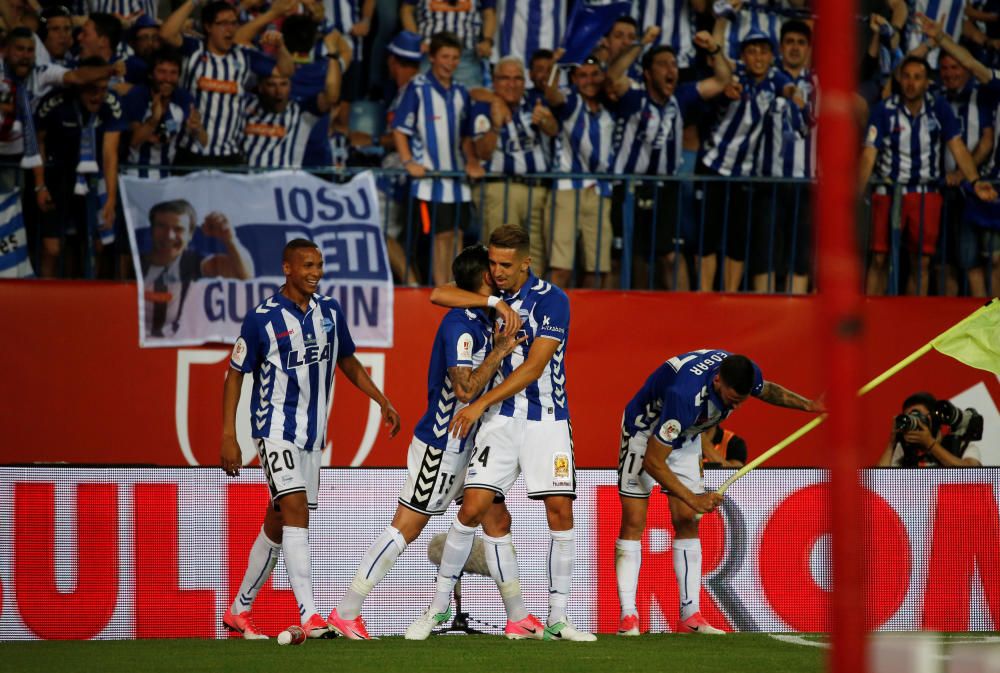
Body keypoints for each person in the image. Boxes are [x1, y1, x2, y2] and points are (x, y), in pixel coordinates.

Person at [328, 245, 542, 640]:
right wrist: (498, 353)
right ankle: (346, 611)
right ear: (483, 280)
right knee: (406, 527)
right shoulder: (460, 325)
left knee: (498, 519)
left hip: (469, 447)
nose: (499, 274)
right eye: (492, 269)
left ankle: (518, 618)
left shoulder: (482, 317)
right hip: (441, 446)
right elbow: (463, 390)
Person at [405, 224, 596, 642]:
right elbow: (439, 294)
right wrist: (492, 298)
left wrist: (478, 403)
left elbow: (534, 367)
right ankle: (437, 610)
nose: (497, 271)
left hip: (547, 420)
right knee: (471, 508)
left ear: (527, 262)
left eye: (506, 265)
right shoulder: (493, 298)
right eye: (492, 263)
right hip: (501, 424)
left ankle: (559, 617)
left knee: (560, 512)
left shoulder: (553, 301)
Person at [221, 238, 401, 639]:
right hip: (273, 430)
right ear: (287, 268)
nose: (315, 273)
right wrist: (228, 435)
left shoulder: (331, 312)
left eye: (319, 265)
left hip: (311, 436)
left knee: (279, 520)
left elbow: (347, 360)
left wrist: (381, 399)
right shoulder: (261, 319)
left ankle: (239, 610)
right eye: (307, 265)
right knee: (296, 510)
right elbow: (235, 373)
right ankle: (310, 615)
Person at [615, 350, 823, 636]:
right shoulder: (684, 395)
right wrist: (694, 497)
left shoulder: (745, 371)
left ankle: (690, 615)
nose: (735, 406)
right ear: (716, 381)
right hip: (645, 431)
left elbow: (770, 391)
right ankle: (629, 615)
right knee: (634, 521)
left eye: (742, 400)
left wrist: (809, 405)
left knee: (687, 519)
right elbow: (654, 461)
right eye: (732, 399)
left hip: (686, 436)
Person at [605, 28, 732, 291]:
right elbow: (613, 75)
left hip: (667, 188)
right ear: (648, 73)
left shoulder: (681, 98)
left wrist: (714, 49)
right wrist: (641, 44)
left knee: (671, 257)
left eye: (673, 64)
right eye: (662, 64)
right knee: (628, 257)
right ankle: (630, 316)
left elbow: (722, 80)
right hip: (629, 188)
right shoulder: (633, 97)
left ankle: (682, 318)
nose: (670, 69)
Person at [859, 55, 997, 296]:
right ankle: (871, 315)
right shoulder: (883, 110)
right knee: (879, 258)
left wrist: (974, 181)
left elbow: (957, 146)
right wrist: (855, 192)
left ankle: (914, 322)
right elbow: (868, 155)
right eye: (907, 77)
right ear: (900, 79)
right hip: (888, 193)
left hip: (925, 196)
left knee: (921, 262)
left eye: (918, 77)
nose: (911, 83)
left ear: (926, 82)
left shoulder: (938, 108)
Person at [392, 31, 485, 286]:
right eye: (445, 56)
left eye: (455, 58)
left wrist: (472, 161)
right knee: (441, 237)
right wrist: (409, 161)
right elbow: (400, 129)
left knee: (457, 236)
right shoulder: (418, 87)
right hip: (430, 182)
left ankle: (454, 289)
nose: (450, 62)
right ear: (432, 57)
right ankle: (443, 290)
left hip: (458, 181)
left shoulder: (461, 92)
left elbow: (467, 136)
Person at [160, 0, 294, 167]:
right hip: (190, 152)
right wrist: (193, 2)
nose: (230, 29)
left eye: (233, 23)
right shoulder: (194, 49)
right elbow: (166, 33)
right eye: (223, 23)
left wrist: (280, 47)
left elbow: (286, 71)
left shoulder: (244, 56)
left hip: (229, 155)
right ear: (208, 27)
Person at [472, 55, 557, 276]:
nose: (512, 84)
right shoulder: (483, 107)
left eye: (518, 78)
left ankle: (531, 308)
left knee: (534, 255)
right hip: (501, 189)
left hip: (537, 191)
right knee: (501, 257)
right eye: (505, 78)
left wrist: (547, 121)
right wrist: (495, 126)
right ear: (494, 81)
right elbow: (482, 151)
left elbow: (554, 129)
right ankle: (496, 308)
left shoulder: (534, 101)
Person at [544, 52, 615, 289]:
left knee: (598, 269)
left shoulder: (610, 106)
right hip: (567, 191)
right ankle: (551, 322)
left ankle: (589, 322)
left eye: (594, 74)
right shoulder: (571, 102)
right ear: (574, 79)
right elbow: (552, 94)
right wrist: (557, 64)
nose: (590, 80)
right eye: (582, 75)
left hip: (600, 192)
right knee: (561, 268)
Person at [140, 199, 253, 338]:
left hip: (175, 349)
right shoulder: (131, 264)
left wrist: (230, 239)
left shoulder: (193, 262)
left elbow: (245, 277)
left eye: (178, 229)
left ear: (190, 235)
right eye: (162, 226)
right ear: (151, 229)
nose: (169, 236)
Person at [122, 48, 203, 178]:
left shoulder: (183, 98)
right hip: (135, 176)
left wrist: (197, 129)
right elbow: (134, 141)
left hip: (167, 177)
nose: (168, 79)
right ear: (150, 74)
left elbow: (204, 141)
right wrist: (153, 120)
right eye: (162, 72)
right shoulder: (137, 95)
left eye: (173, 73)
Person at [877, 392, 983, 467]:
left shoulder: (960, 445)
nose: (916, 423)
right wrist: (892, 444)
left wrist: (930, 444)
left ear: (933, 418)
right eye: (910, 418)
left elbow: (973, 474)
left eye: (918, 416)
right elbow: (878, 485)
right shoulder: (904, 451)